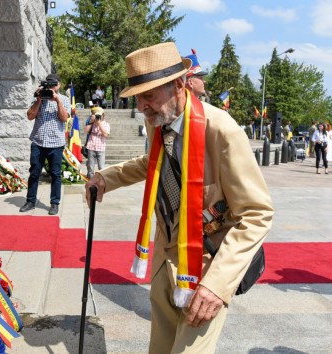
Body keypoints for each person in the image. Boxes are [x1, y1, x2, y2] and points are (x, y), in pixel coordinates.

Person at [84, 42, 273, 353]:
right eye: (138, 97)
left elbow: (256, 213)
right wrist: (107, 177)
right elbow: (153, 164)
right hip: (164, 260)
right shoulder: (159, 118)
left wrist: (217, 285)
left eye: (149, 95)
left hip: (208, 267)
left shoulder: (222, 131)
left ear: (179, 85)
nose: (142, 106)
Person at [20, 73, 70, 215]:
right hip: (38, 141)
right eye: (49, 84)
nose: (51, 87)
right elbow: (30, 116)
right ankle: (30, 201)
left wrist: (57, 101)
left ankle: (54, 203)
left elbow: (64, 118)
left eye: (54, 84)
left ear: (59, 85)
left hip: (55, 143)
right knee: (34, 172)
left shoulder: (64, 100)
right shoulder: (39, 98)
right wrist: (39, 100)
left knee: (55, 174)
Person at [84, 106, 110, 178]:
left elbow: (105, 134)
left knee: (101, 167)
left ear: (103, 115)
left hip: (101, 148)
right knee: (90, 168)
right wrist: (91, 122)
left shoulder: (106, 124)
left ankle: (100, 181)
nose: (98, 117)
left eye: (99, 115)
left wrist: (99, 124)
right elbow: (85, 131)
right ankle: (90, 181)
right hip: (91, 147)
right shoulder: (92, 123)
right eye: (96, 115)